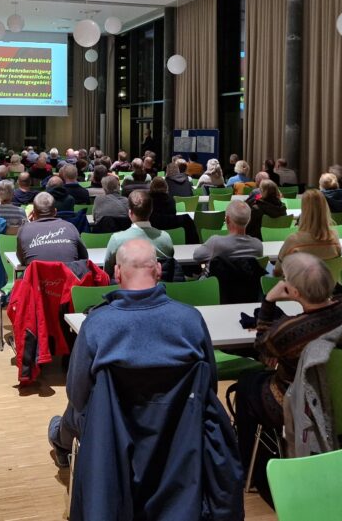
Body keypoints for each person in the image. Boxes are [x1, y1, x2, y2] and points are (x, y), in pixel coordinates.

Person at [46, 239, 234, 486]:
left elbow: (78, 394)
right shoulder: (191, 321)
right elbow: (207, 387)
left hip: (111, 436)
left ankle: (59, 438)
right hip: (177, 435)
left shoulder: (95, 326)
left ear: (116, 272)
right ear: (158, 270)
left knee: (73, 412)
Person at [232, 253, 342, 496]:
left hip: (298, 404)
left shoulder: (288, 331)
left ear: (293, 292)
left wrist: (269, 302)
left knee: (245, 386)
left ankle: (246, 465)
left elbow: (262, 348)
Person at [104, 191, 174, 270]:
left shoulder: (116, 240)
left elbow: (107, 271)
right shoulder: (166, 238)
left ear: (130, 213)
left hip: (128, 282)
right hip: (158, 281)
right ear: (151, 211)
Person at [15, 191, 88, 267]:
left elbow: (23, 261)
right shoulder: (70, 227)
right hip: (68, 277)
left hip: (39, 278)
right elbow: (84, 257)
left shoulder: (24, 230)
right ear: (55, 212)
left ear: (33, 214)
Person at [276, 189, 342, 265]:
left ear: (304, 210)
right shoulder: (335, 240)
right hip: (327, 276)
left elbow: (278, 270)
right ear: (325, 208)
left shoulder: (293, 241)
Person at [193, 201, 263, 264]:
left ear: (227, 219)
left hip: (218, 278)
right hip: (247, 278)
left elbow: (197, 256)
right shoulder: (258, 245)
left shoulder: (215, 243)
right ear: (249, 220)